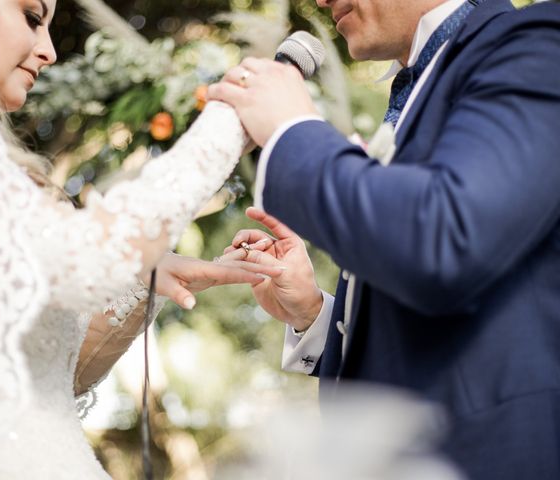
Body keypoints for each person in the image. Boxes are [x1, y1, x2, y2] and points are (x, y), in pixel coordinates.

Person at [0, 0, 282, 478]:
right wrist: (227, 127)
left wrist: (140, 278)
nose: (48, 50)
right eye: (32, 17)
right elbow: (88, 260)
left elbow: (47, 378)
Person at [208, 0, 560, 478]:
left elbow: (446, 240)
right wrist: (315, 314)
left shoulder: (538, 40)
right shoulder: (419, 83)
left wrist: (293, 130)